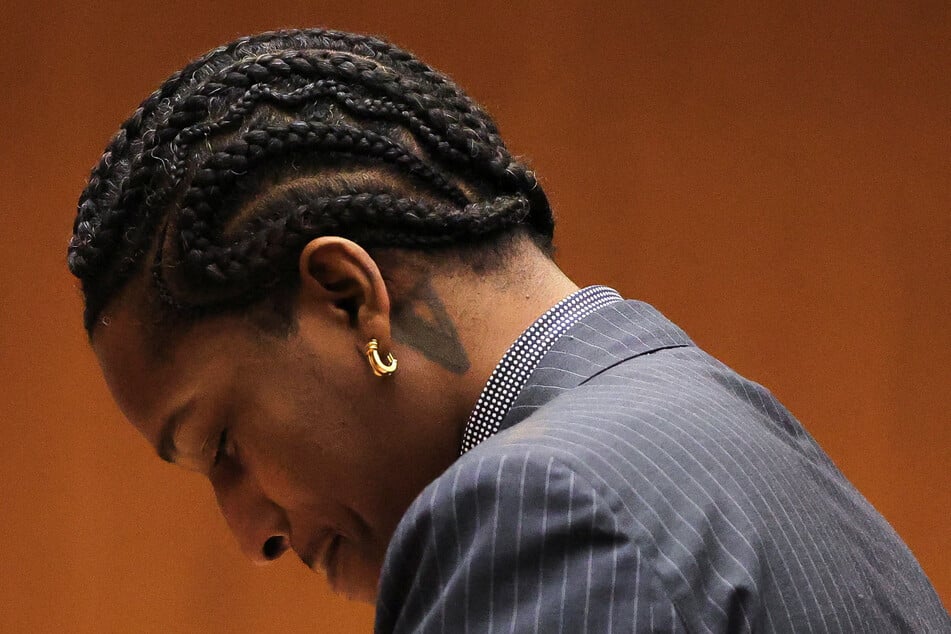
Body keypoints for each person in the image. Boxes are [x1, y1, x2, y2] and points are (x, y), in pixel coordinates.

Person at [68, 28, 948, 633]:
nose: (249, 533)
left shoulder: (540, 507)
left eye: (220, 441)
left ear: (347, 298)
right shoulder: (718, 427)